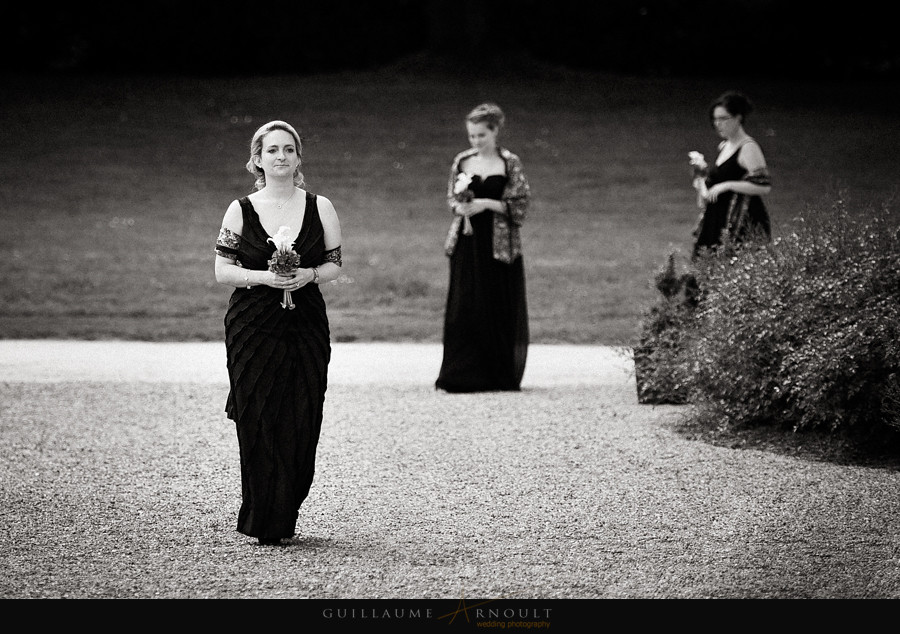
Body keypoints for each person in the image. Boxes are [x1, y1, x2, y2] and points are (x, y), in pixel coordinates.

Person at [214, 120, 343, 546]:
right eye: (272, 150)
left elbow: (334, 264)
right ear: (258, 159)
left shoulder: (320, 206)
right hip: (252, 327)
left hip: (305, 325)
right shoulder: (240, 209)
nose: (281, 157)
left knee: (302, 413)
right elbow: (222, 271)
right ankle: (264, 514)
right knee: (259, 416)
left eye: (289, 149)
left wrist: (307, 274)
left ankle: (287, 504)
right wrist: (265, 278)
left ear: (299, 158)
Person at [435, 103, 530, 393]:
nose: (476, 141)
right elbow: (451, 199)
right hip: (467, 242)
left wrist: (486, 204)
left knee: (496, 304)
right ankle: (460, 373)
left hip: (500, 247)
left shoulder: (509, 162)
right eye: (472, 136)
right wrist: (461, 205)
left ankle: (498, 374)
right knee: (465, 305)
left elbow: (521, 204)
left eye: (481, 135)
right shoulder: (462, 161)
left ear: (495, 132)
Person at [691, 91, 772, 258]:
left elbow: (763, 185)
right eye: (715, 120)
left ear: (738, 118)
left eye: (723, 119)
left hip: (740, 222)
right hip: (717, 220)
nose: (718, 124)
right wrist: (701, 178)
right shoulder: (724, 146)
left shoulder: (748, 147)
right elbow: (712, 190)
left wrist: (726, 186)